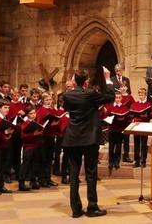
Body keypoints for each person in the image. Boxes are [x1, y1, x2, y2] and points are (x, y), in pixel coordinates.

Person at [61, 70, 114, 218]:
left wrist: (91, 109)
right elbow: (110, 97)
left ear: (74, 81)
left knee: (73, 174)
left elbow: (68, 109)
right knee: (91, 173)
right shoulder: (90, 94)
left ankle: (76, 210)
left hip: (72, 138)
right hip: (89, 139)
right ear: (86, 82)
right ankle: (92, 207)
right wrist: (108, 79)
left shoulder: (67, 95)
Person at [36, 93, 61, 187]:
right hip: (43, 137)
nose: (49, 101)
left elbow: (58, 120)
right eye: (46, 100)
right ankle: (42, 179)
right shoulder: (40, 110)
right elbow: (39, 124)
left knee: (50, 158)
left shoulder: (53, 110)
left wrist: (56, 123)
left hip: (51, 136)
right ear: (42, 101)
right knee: (43, 158)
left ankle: (48, 178)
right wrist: (49, 124)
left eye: (50, 100)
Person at [104, 91, 131, 168]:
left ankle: (117, 161)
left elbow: (127, 117)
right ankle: (111, 161)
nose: (118, 99)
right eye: (116, 98)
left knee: (119, 146)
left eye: (119, 98)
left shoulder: (124, 107)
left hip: (120, 130)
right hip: (112, 129)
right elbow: (106, 116)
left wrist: (123, 118)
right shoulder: (110, 107)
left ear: (121, 98)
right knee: (111, 146)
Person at [19, 106, 43, 191]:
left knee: (35, 164)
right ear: (27, 114)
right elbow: (23, 136)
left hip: (36, 146)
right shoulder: (25, 123)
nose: (33, 115)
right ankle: (21, 183)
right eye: (31, 113)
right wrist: (34, 134)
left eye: (34, 113)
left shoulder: (36, 122)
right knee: (26, 165)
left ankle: (33, 181)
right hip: (28, 147)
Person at [129, 87, 152, 168]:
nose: (140, 95)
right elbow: (131, 114)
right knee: (137, 144)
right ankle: (137, 161)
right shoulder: (134, 104)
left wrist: (146, 115)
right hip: (136, 125)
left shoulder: (148, 104)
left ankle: (143, 161)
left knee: (143, 144)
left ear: (145, 95)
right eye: (139, 94)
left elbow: (150, 115)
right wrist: (133, 118)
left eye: (142, 94)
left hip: (145, 125)